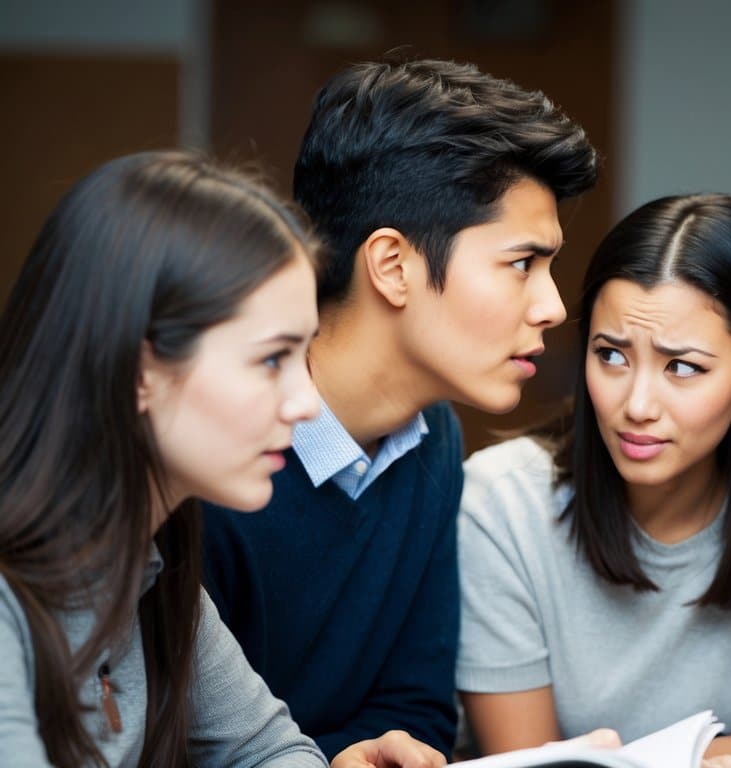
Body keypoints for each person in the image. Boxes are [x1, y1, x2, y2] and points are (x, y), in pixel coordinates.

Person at [201, 59, 599, 759]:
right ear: (391, 265)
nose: (553, 306)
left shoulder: (432, 438)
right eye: (521, 264)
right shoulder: (212, 452)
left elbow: (416, 707)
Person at [0, 151, 444, 767]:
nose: (305, 403)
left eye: (303, 354)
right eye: (271, 359)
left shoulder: (155, 569)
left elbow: (268, 751)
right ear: (139, 367)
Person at [457, 194, 731, 764]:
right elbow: (531, 761)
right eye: (611, 355)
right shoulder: (500, 504)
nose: (636, 404)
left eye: (682, 367)